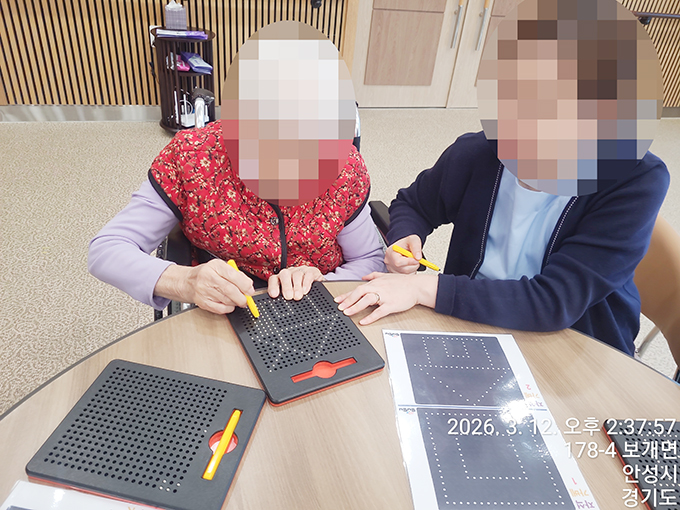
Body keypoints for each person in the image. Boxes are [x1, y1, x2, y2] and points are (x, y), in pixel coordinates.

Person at [335, 0, 669, 356]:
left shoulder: (637, 180)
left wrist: (423, 288)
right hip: (471, 319)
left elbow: (555, 300)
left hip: (576, 344)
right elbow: (414, 203)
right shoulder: (480, 151)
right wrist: (406, 236)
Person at [88, 21, 385, 315]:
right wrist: (185, 281)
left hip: (319, 311)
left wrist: (323, 283)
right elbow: (108, 249)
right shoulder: (192, 158)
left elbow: (369, 259)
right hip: (226, 310)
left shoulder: (344, 166)